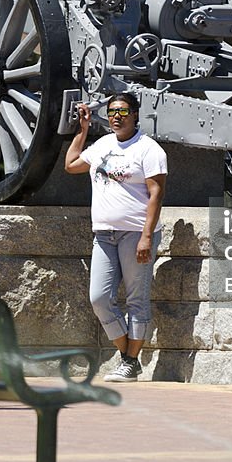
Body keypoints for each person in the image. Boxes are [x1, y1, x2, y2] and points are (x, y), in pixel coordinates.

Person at [64, 92, 167, 383]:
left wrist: (147, 236)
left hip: (136, 234)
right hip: (104, 235)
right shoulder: (102, 145)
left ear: (135, 114)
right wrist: (82, 132)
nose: (116, 117)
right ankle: (128, 357)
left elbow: (156, 195)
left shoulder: (149, 149)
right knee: (99, 297)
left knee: (137, 299)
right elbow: (71, 165)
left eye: (122, 111)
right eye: (111, 112)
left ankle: (130, 362)